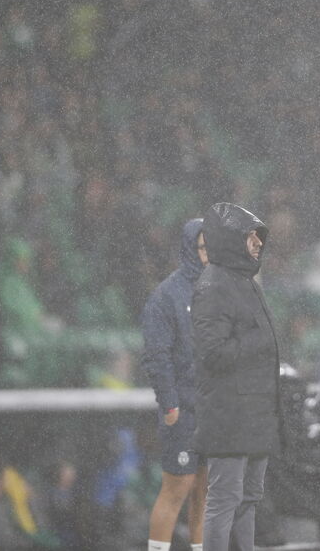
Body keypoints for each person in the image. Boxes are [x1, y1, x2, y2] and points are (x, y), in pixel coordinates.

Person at [192, 202, 282, 551]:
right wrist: (259, 339)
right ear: (230, 240)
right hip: (230, 414)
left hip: (253, 415)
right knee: (225, 499)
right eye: (250, 237)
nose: (258, 243)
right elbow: (213, 354)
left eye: (259, 237)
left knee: (248, 499)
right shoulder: (213, 285)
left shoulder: (244, 281)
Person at [141, 218, 209, 551]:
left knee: (207, 491)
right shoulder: (167, 296)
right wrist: (169, 403)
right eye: (202, 246)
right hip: (183, 408)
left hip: (215, 408)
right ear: (189, 248)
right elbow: (157, 356)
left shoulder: (223, 289)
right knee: (177, 488)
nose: (209, 253)